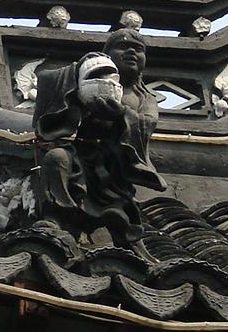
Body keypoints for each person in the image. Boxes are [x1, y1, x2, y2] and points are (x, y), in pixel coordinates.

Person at [32, 27, 165, 249]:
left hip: (113, 163)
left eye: (138, 49)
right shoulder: (84, 79)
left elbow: (147, 124)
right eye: (123, 46)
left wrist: (121, 114)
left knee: (119, 202)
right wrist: (79, 79)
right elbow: (50, 87)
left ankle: (126, 237)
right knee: (57, 158)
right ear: (107, 55)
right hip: (81, 154)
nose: (132, 52)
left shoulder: (145, 98)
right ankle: (56, 216)